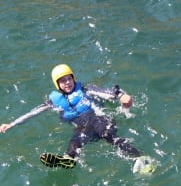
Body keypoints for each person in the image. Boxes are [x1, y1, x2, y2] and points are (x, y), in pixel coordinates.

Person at [0, 64, 156, 174]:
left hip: (99, 119)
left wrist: (122, 96)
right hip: (83, 127)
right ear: (57, 84)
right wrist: (12, 124)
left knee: (108, 136)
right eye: (62, 80)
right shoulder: (54, 102)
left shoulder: (86, 90)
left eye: (69, 78)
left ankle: (141, 157)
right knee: (76, 139)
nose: (67, 82)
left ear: (73, 78)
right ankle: (69, 159)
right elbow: (32, 113)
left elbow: (109, 92)